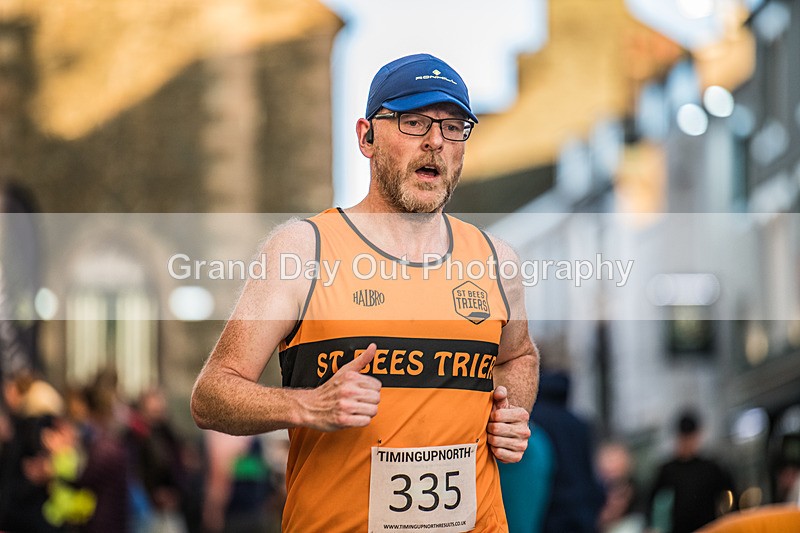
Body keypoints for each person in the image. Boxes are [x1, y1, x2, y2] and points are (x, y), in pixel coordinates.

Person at [191, 53, 539, 532]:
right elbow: (210, 395)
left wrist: (512, 412)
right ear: (366, 137)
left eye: (454, 125)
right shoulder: (302, 250)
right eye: (414, 122)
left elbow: (518, 357)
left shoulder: (497, 261)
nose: (435, 141)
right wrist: (305, 405)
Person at [648, 409, 735, 533]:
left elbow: (730, 491)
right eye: (684, 438)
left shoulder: (710, 468)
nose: (687, 443)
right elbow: (652, 498)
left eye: (690, 438)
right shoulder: (668, 470)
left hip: (710, 528)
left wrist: (727, 517)